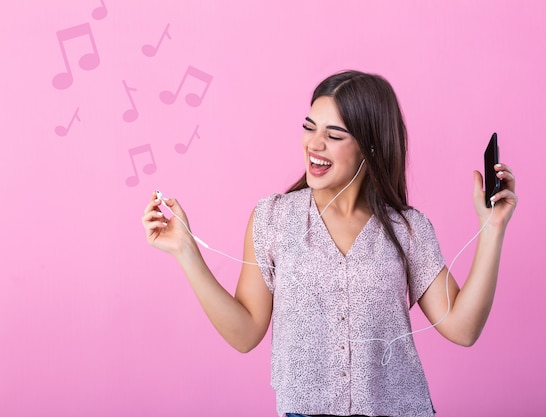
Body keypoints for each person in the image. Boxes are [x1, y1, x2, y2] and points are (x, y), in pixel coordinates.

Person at [142, 70, 518, 417]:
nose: (314, 144)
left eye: (334, 135)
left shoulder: (408, 228)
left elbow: (463, 329)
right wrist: (185, 251)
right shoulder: (273, 218)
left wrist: (492, 229)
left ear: (369, 146)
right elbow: (245, 335)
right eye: (309, 128)